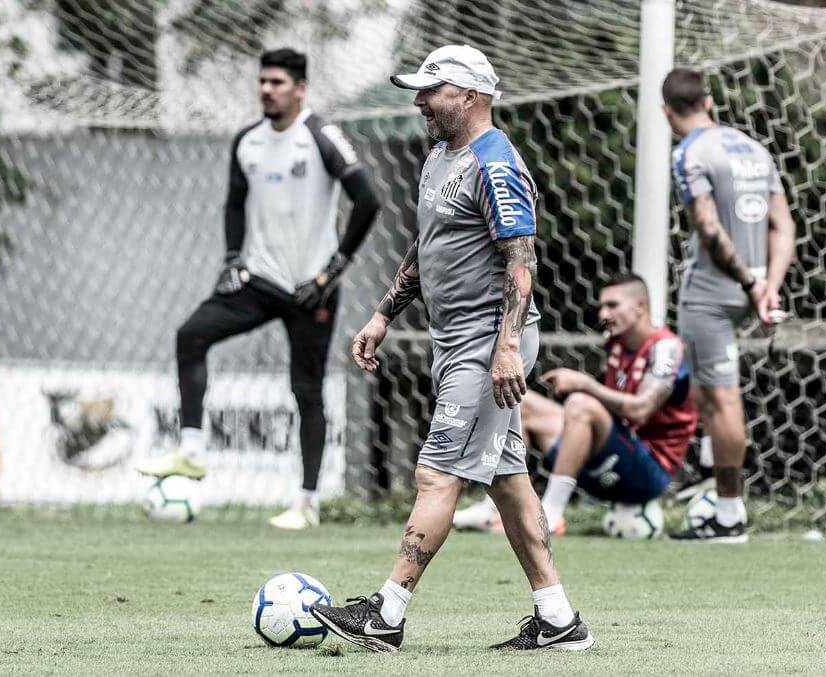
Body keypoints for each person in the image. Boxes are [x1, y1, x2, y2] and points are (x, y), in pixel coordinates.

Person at [310, 45, 594, 653]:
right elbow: (430, 240)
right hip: (457, 338)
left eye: (430, 91)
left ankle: (386, 613)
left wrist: (507, 348)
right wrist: (383, 312)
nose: (418, 101)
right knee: (507, 480)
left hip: (488, 341)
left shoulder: (495, 165)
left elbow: (523, 262)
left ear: (468, 95)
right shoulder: (441, 155)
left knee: (436, 472)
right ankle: (558, 618)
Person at [136, 48, 381, 531]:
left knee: (306, 391)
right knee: (191, 335)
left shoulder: (321, 137)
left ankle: (307, 505)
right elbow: (233, 205)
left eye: (278, 82)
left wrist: (331, 272)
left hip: (312, 289)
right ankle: (190, 452)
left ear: (300, 88)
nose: (267, 89)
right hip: (260, 281)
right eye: (263, 81)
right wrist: (232, 259)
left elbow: (369, 201)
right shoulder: (246, 142)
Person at [453, 274, 698, 537]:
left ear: (640, 306)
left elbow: (641, 409)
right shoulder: (616, 345)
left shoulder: (665, 348)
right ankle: (494, 507)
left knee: (581, 404)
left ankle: (550, 514)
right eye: (602, 306)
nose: (604, 313)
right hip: (612, 456)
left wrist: (584, 384)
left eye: (613, 305)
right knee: (518, 400)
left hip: (649, 473)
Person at [661, 68, 795, 542]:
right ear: (710, 101)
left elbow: (710, 230)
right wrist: (767, 284)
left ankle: (729, 513)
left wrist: (746, 281)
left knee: (722, 399)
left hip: (713, 292)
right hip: (754, 283)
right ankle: (708, 473)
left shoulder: (690, 153)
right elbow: (783, 223)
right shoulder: (753, 148)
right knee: (706, 389)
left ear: (665, 111)